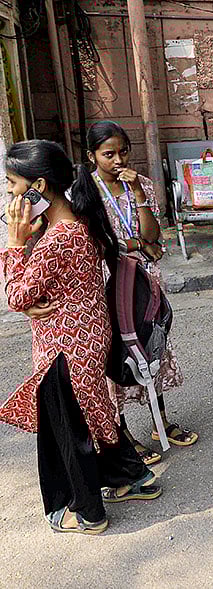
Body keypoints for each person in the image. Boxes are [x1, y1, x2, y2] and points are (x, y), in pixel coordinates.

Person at [1, 140, 160, 535]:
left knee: (70, 432)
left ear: (38, 186)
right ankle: (132, 478)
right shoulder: (75, 223)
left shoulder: (59, 237)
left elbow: (16, 295)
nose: (8, 195)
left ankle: (88, 513)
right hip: (85, 339)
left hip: (64, 349)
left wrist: (15, 244)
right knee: (95, 416)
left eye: (11, 184)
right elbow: (32, 293)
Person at [87, 121, 198, 466]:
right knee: (117, 355)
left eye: (123, 152)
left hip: (144, 279)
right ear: (92, 156)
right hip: (107, 281)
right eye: (108, 154)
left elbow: (154, 239)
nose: (117, 160)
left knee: (152, 347)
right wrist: (135, 244)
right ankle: (123, 435)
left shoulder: (142, 185)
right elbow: (99, 244)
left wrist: (137, 197)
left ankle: (159, 421)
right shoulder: (85, 192)